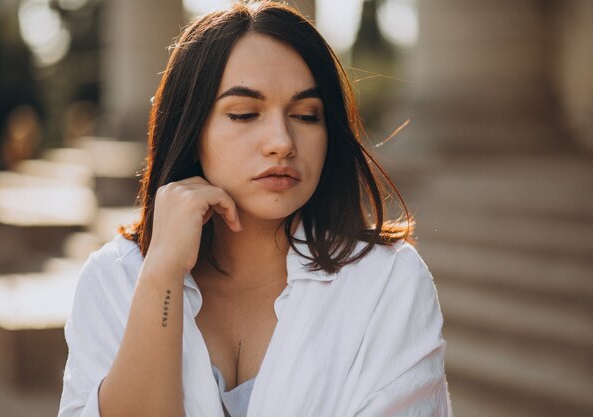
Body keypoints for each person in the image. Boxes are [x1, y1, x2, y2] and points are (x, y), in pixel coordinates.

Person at [57, 2, 451, 416]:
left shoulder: (387, 282)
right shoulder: (114, 278)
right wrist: (162, 274)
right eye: (244, 114)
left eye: (306, 115)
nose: (281, 141)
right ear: (192, 129)